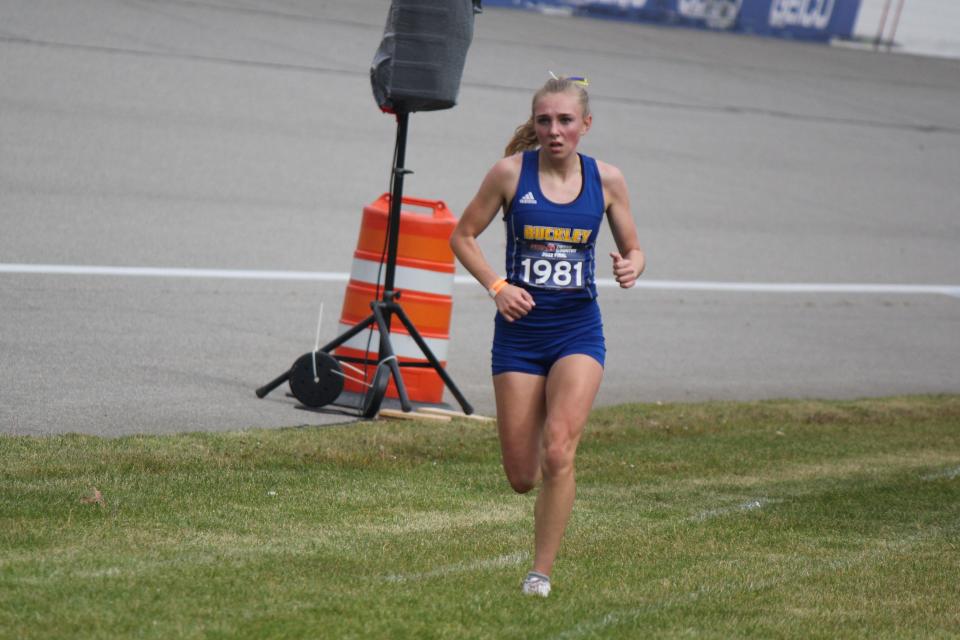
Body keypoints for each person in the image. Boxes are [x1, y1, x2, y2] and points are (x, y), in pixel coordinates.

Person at [449, 75, 645, 597]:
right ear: (533, 124)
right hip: (518, 334)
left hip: (578, 330)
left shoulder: (607, 180)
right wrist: (497, 286)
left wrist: (632, 267)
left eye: (564, 121)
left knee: (559, 450)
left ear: (585, 124)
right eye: (544, 121)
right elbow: (462, 236)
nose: (554, 131)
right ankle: (538, 445)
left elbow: (635, 248)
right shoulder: (511, 174)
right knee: (522, 474)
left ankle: (541, 572)